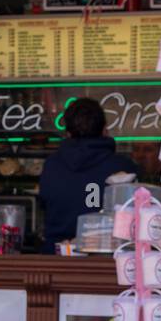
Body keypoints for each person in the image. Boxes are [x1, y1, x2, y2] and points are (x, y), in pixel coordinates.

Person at [40, 97, 137, 253]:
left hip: (56, 259)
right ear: (105, 129)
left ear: (67, 133)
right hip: (106, 261)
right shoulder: (123, 167)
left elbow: (44, 206)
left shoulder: (51, 165)